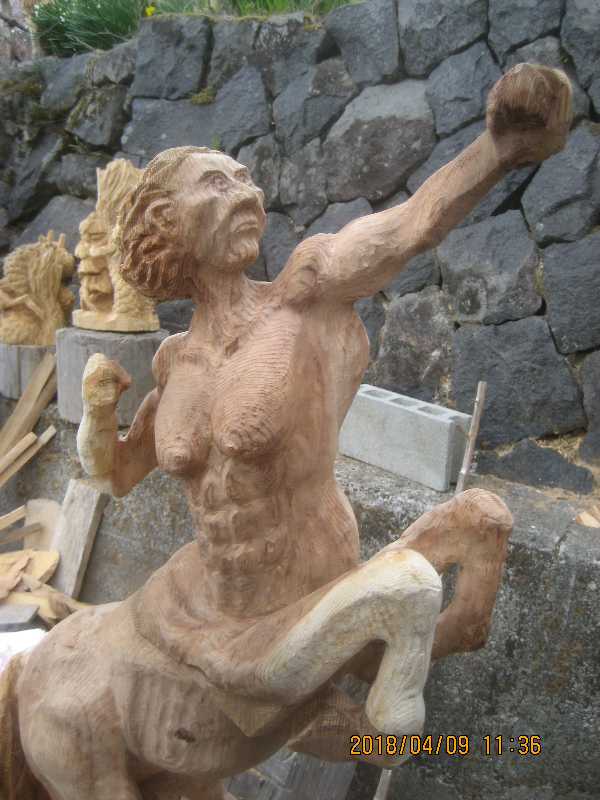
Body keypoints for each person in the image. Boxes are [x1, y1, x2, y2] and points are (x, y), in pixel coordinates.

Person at [12, 64, 569, 800]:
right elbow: (114, 476)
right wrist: (99, 415)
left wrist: (498, 149)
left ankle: (420, 641)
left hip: (301, 581)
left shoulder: (307, 294)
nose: (246, 193)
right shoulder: (174, 359)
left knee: (463, 538)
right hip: (202, 599)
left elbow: (409, 226)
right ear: (166, 224)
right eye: (216, 183)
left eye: (246, 180)